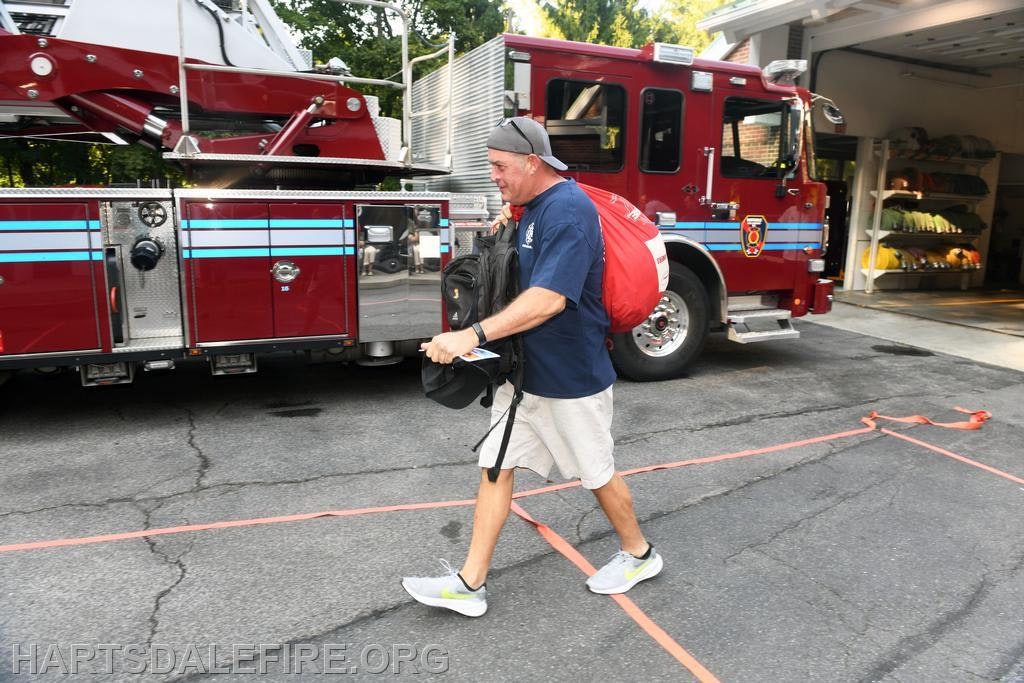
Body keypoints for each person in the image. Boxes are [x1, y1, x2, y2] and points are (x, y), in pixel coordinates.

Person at [402, 116, 662, 618]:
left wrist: (470, 337)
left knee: (597, 474)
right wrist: (509, 226)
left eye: (500, 166)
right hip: (523, 373)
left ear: (531, 162)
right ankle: (469, 584)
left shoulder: (567, 211)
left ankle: (640, 554)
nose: (494, 175)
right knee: (495, 467)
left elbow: (548, 300)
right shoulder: (531, 208)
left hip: (571, 378)